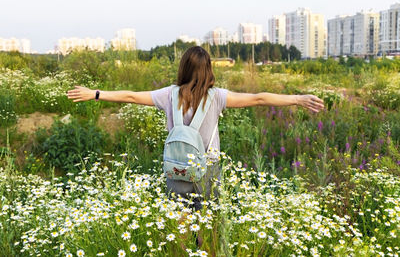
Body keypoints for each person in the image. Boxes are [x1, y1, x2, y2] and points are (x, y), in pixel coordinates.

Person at [67, 46, 324, 211]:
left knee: (180, 226)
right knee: (207, 227)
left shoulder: (169, 95)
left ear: (184, 68)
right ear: (208, 69)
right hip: (208, 167)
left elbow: (131, 96)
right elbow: (259, 98)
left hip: (176, 167)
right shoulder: (218, 97)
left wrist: (96, 93)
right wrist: (297, 99)